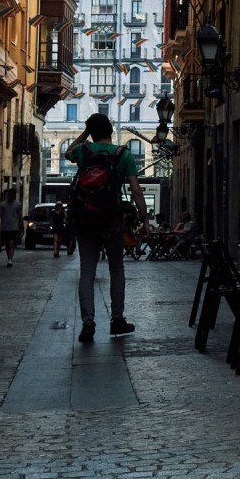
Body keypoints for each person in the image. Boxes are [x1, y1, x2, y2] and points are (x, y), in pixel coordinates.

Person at [66, 113, 147, 343]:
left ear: (92, 132)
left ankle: (88, 324)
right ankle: (117, 319)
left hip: (86, 218)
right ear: (111, 130)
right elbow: (136, 190)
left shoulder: (85, 151)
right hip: (112, 219)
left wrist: (85, 134)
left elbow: (67, 152)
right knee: (116, 269)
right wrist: (144, 218)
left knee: (87, 272)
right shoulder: (124, 154)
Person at [0, 188, 23, 268]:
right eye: (9, 195)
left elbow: (19, 216)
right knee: (7, 244)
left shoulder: (18, 205)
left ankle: (10, 260)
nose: (10, 196)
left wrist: (20, 226)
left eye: (11, 195)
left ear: (14, 195)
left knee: (11, 243)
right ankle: (9, 258)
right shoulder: (3, 204)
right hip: (4, 227)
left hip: (13, 227)